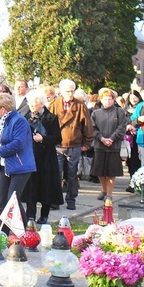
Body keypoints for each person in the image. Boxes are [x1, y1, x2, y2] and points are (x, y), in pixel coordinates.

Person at [47, 79, 94, 211]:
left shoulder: (80, 106)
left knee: (72, 175)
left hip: (74, 145)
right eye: (68, 91)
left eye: (72, 91)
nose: (70, 94)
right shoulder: (54, 105)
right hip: (57, 146)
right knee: (56, 174)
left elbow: (87, 126)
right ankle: (55, 200)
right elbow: (47, 124)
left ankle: (71, 199)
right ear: (61, 91)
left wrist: (87, 143)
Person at [0, 92, 36, 223]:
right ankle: (4, 233)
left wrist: (0, 151)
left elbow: (19, 143)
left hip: (20, 165)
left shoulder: (19, 121)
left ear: (3, 109)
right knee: (2, 200)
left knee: (13, 200)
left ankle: (26, 232)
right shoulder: (2, 121)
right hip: (4, 165)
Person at [22, 89, 63, 225]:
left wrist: (43, 139)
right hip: (30, 156)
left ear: (41, 103)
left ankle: (44, 215)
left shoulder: (51, 118)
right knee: (31, 187)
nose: (32, 105)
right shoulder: (25, 117)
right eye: (30, 103)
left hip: (46, 158)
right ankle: (30, 215)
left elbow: (57, 138)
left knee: (46, 186)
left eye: (35, 103)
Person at [90, 88, 128, 200]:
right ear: (101, 100)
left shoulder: (119, 111)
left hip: (114, 146)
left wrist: (112, 139)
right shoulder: (96, 113)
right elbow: (93, 128)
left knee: (111, 171)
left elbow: (122, 127)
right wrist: (101, 138)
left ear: (114, 100)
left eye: (110, 99)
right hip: (99, 146)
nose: (108, 101)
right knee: (100, 171)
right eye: (105, 99)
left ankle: (109, 194)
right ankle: (103, 190)